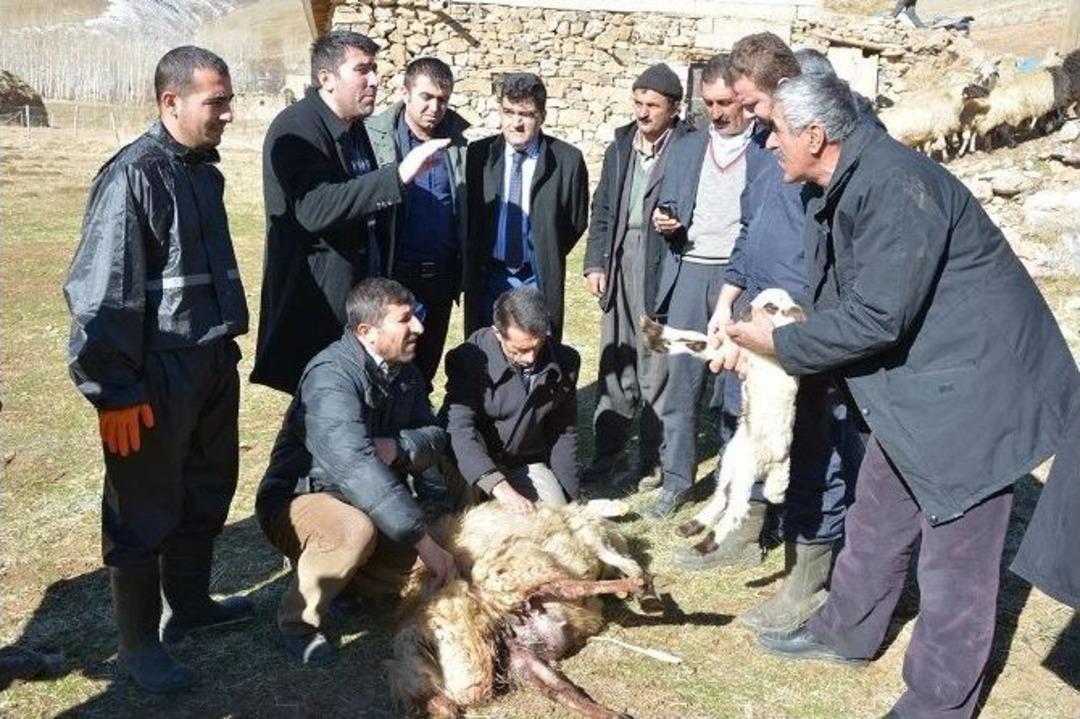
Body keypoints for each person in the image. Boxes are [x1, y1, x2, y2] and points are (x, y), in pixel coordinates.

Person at [722, 72, 1079, 719]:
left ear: (814, 135)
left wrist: (782, 343)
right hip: (923, 388)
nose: (767, 140)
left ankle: (940, 701)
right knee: (878, 514)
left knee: (956, 562)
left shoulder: (893, 184)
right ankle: (846, 631)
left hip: (976, 394)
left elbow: (878, 316)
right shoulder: (851, 179)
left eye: (774, 129)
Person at [64, 46, 252, 694]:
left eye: (228, 98)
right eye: (216, 100)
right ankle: (138, 648)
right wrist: (114, 390)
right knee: (143, 510)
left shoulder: (204, 171)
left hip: (210, 360)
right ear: (171, 102)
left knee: (205, 491)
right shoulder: (131, 176)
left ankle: (191, 606)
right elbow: (101, 293)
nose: (228, 112)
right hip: (154, 378)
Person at [673, 35, 864, 638]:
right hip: (749, 320)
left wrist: (785, 328)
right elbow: (750, 228)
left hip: (797, 332)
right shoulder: (765, 146)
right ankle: (748, 531)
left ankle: (806, 581)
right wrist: (728, 300)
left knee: (812, 448)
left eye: (760, 106)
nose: (754, 118)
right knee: (742, 423)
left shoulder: (829, 161)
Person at [256, 278, 456, 665]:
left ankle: (344, 581)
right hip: (303, 497)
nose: (419, 327)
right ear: (367, 331)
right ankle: (297, 623)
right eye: (405, 319)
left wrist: (398, 448)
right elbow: (355, 465)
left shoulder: (404, 371)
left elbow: (434, 435)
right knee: (354, 532)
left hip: (368, 499)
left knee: (420, 571)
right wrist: (422, 539)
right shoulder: (330, 377)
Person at [252, 30, 449, 394]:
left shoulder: (353, 128)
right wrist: (399, 176)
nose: (375, 80)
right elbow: (315, 208)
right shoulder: (296, 127)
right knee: (321, 411)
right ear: (326, 78)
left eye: (375, 69)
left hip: (356, 300)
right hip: (316, 307)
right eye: (362, 70)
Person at [644, 53, 755, 520]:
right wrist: (664, 218)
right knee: (683, 379)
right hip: (690, 270)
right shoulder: (688, 147)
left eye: (725, 101)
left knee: (738, 387)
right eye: (708, 102)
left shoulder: (766, 150)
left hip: (742, 279)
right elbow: (668, 199)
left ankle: (735, 486)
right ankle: (676, 481)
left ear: (744, 100)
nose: (716, 112)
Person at [580, 63, 693, 491]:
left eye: (653, 105)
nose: (643, 113)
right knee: (616, 357)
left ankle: (654, 462)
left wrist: (680, 223)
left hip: (661, 261)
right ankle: (607, 457)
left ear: (674, 108)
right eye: (638, 103)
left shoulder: (689, 147)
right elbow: (603, 207)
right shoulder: (621, 144)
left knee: (656, 364)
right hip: (620, 257)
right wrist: (595, 262)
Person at [366, 57, 470, 387]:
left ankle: (415, 435)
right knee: (386, 368)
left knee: (424, 372)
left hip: (440, 277)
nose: (435, 108)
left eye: (443, 100)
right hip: (395, 275)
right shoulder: (375, 139)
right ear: (405, 92)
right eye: (426, 97)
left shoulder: (458, 145)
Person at [464, 73, 589, 342]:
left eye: (526, 114)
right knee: (484, 351)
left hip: (536, 276)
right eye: (508, 112)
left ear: (542, 116)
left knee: (536, 351)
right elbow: (470, 216)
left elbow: (575, 221)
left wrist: (545, 248)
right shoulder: (478, 156)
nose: (516, 123)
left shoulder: (567, 160)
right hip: (489, 276)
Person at [444, 287, 580, 512]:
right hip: (474, 459)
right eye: (519, 350)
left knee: (554, 515)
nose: (530, 358)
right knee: (473, 522)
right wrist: (499, 486)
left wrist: (574, 503)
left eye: (537, 347)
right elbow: (459, 431)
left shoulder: (566, 361)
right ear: (498, 333)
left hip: (524, 462)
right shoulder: (467, 359)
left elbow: (564, 434)